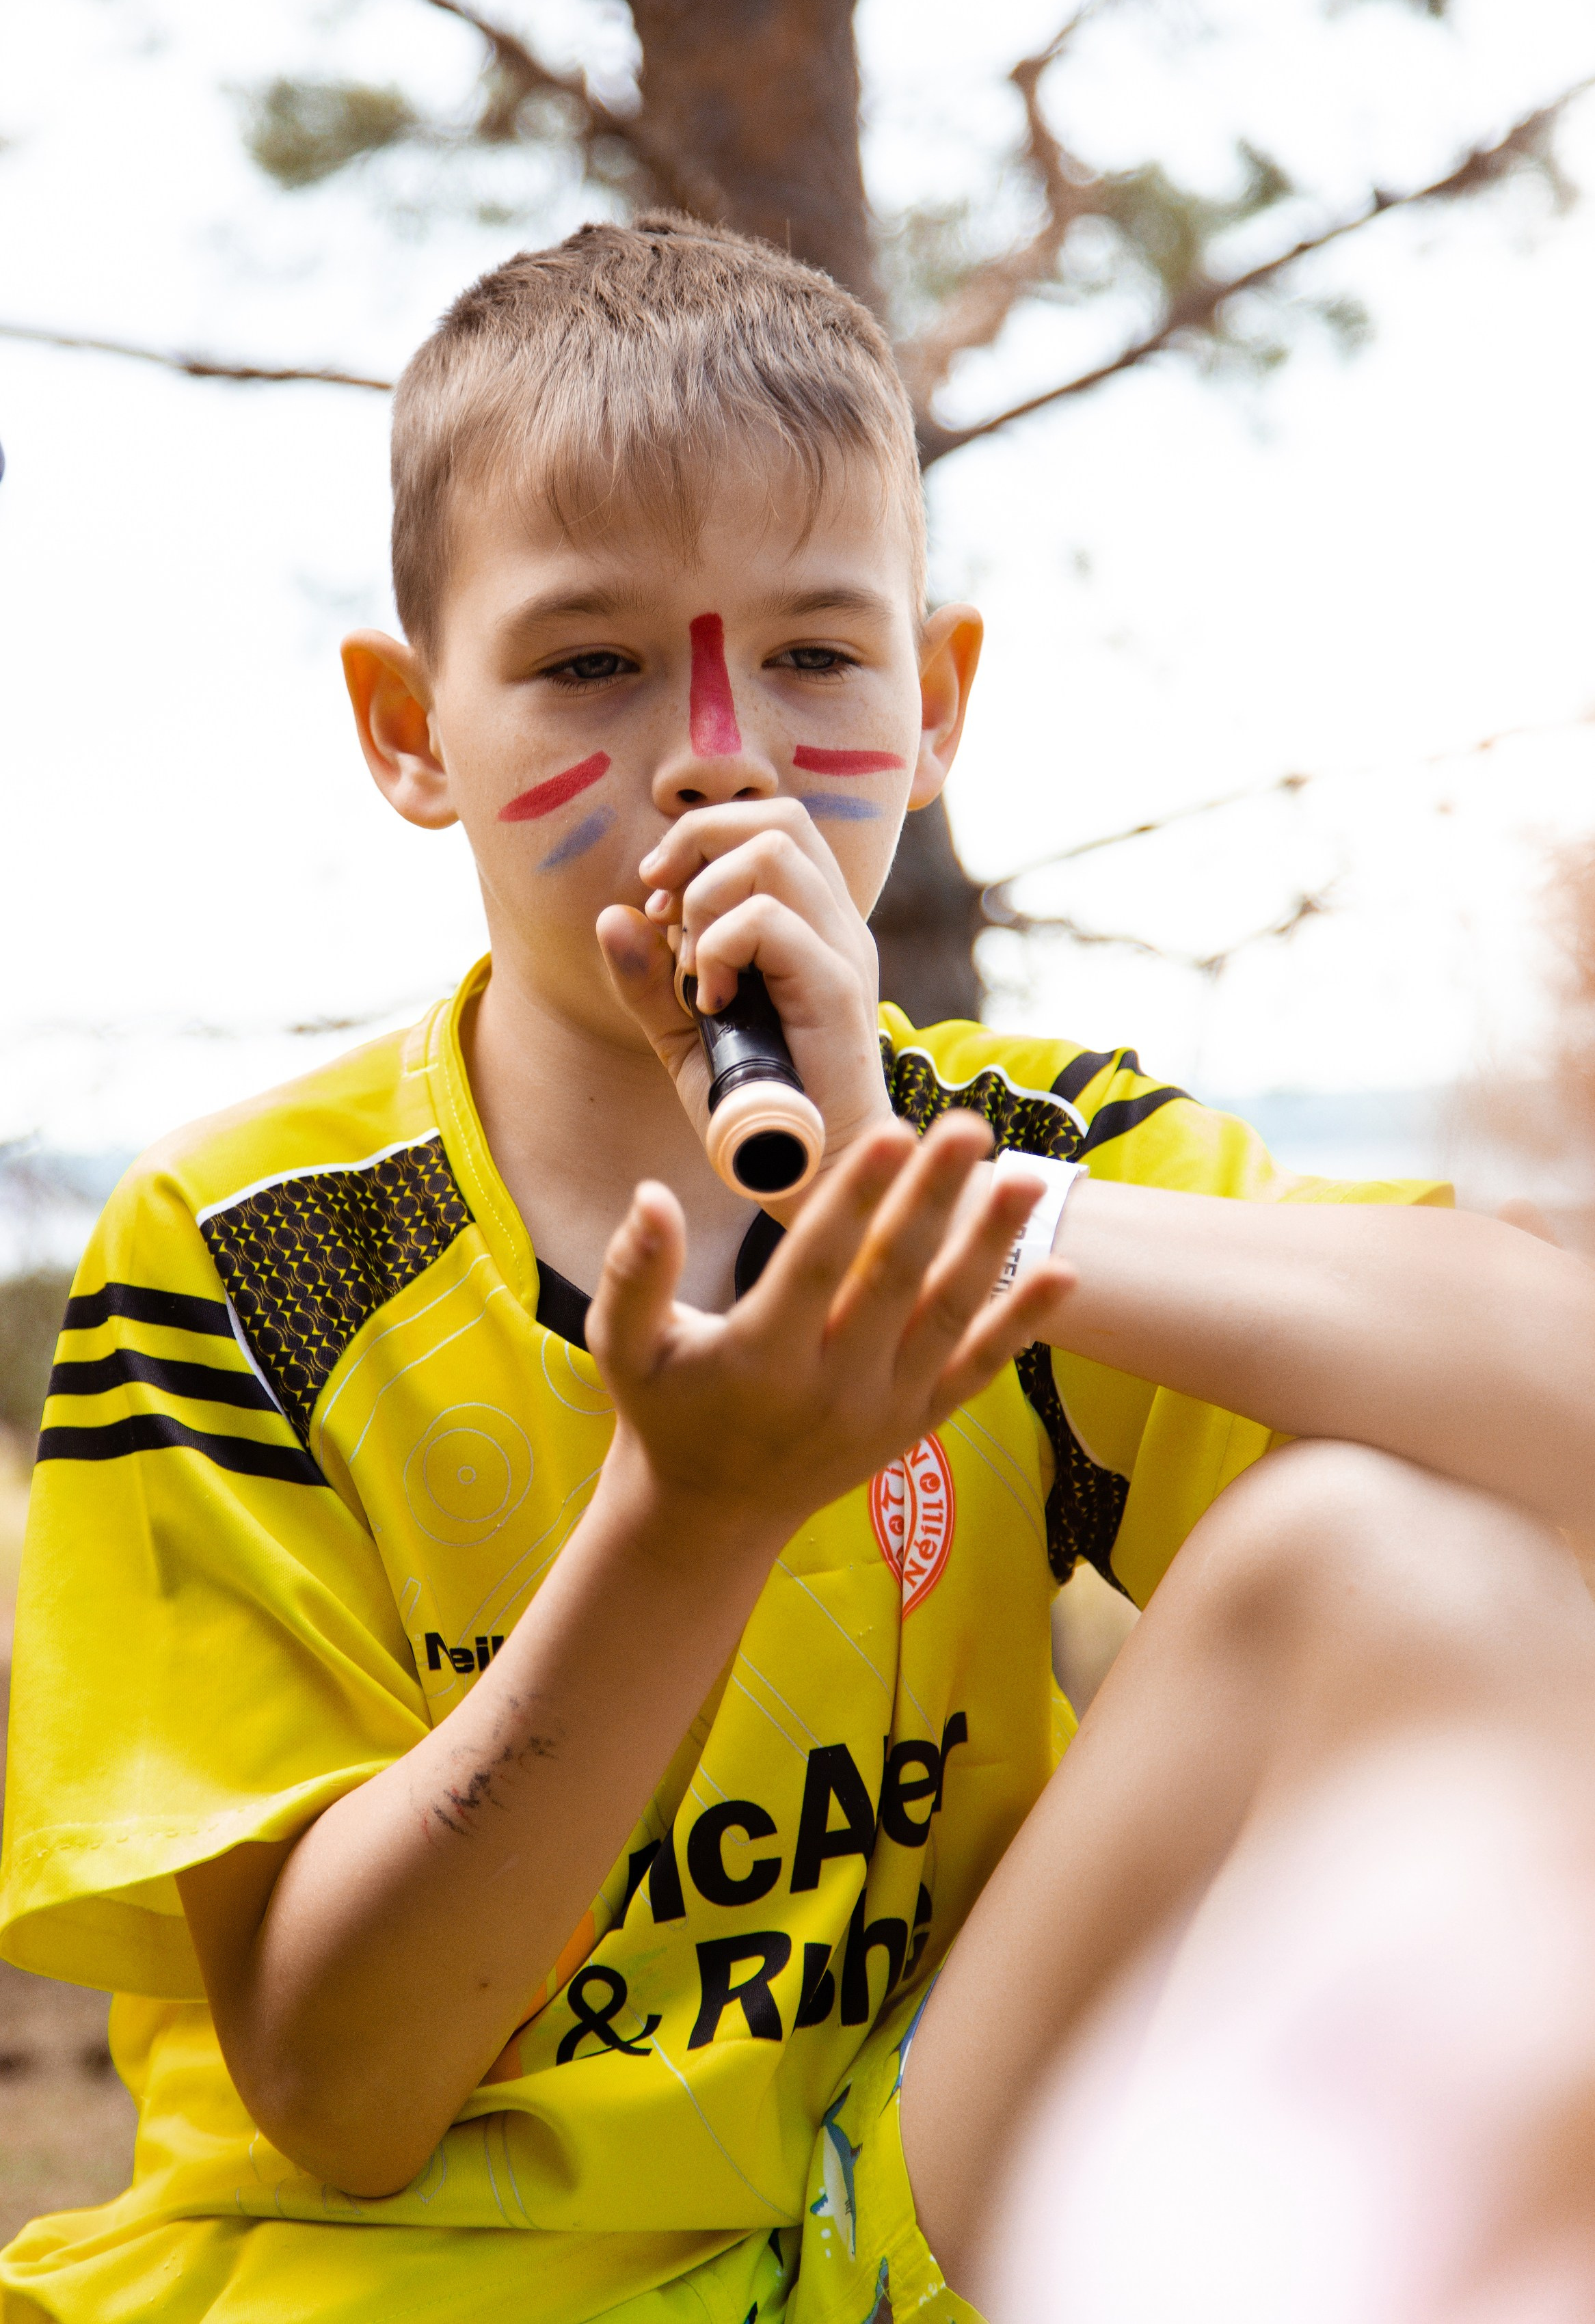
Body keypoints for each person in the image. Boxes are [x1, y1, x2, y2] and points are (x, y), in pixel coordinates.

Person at [3, 215, 1592, 2324]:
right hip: (414, 2286)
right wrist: (692, 1517)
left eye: (820, 655)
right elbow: (342, 2087)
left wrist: (934, 1199)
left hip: (892, 2231)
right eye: (590, 662)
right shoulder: (248, 1253)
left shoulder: (1026, 1154)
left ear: (937, 704)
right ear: (410, 729)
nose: (715, 751)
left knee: (1383, 1559)